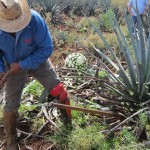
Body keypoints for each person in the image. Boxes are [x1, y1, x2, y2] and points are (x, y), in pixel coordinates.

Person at [0, 0, 72, 149]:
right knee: (11, 104)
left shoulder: (35, 20)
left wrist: (23, 65)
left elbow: (46, 49)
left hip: (37, 60)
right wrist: (1, 70)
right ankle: (11, 138)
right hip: (12, 66)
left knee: (59, 91)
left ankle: (68, 126)